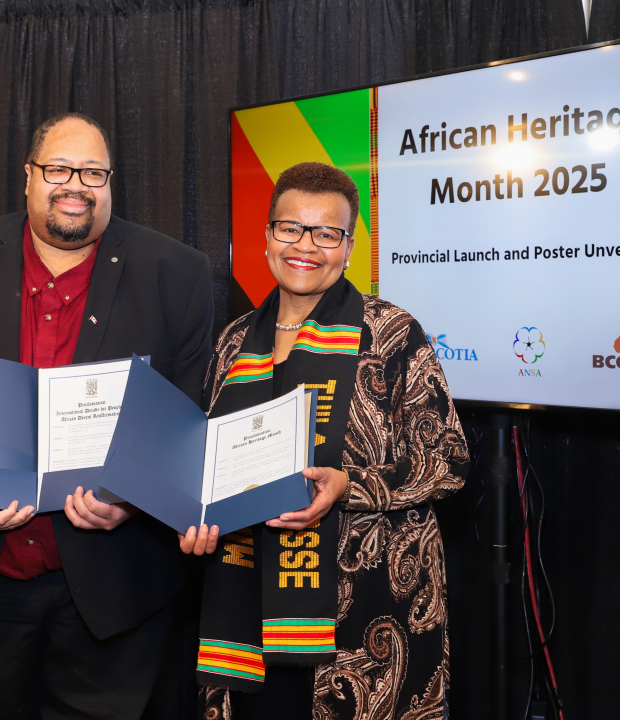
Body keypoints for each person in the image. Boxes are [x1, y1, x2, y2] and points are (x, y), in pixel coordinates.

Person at [0, 112, 214, 719]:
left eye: (93, 172)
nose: (76, 185)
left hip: (112, 592)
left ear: (110, 183)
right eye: (58, 169)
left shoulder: (175, 274)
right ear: (27, 176)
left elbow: (190, 414)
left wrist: (132, 498)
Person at [183, 162, 469, 719]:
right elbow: (206, 462)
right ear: (267, 236)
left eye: (326, 233)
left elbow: (449, 460)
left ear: (349, 244)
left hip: (362, 620)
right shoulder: (233, 342)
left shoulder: (389, 334)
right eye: (290, 228)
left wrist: (349, 484)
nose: (305, 246)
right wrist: (192, 516)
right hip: (247, 608)